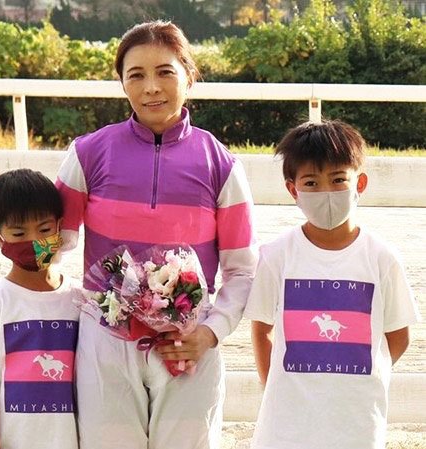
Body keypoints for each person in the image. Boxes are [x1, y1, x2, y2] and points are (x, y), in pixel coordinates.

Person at [55, 20, 258, 449]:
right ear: (122, 83)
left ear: (189, 75)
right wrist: (19, 259)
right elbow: (53, 241)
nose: (151, 87)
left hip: (188, 344)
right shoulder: (87, 153)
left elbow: (242, 270)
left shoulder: (221, 164)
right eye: (136, 75)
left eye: (165, 72)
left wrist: (209, 333)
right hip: (106, 341)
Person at [244, 120, 421, 449]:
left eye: (338, 179)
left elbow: (398, 336)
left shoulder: (382, 258)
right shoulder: (276, 256)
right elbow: (261, 329)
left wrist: (355, 382)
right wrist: (278, 390)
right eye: (311, 182)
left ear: (360, 183)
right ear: (293, 190)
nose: (326, 192)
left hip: (356, 421)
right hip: (286, 425)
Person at [0, 168, 80, 449]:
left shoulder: (81, 300)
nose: (34, 241)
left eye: (44, 229)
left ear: (59, 226)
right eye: (19, 233)